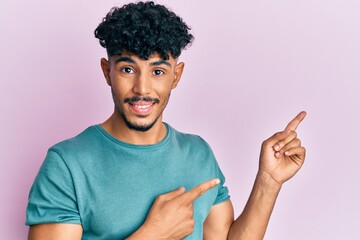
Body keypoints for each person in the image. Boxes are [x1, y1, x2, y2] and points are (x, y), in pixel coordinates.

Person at [26, 1, 307, 239]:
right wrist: (152, 234)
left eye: (158, 72)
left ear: (176, 75)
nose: (142, 89)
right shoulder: (67, 165)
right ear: (106, 71)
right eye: (127, 69)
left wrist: (268, 182)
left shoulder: (198, 153)